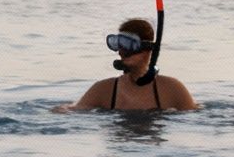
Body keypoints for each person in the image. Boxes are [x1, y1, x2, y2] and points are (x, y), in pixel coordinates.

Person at [68, 17, 198, 111]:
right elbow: (72, 111)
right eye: (118, 44)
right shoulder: (104, 90)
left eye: (127, 44)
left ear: (148, 49)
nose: (121, 51)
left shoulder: (172, 89)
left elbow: (196, 117)